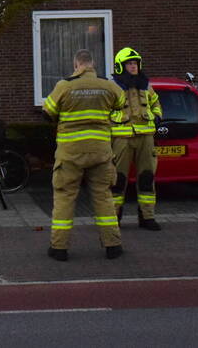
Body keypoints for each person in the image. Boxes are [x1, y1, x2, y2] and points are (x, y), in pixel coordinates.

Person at [41, 48, 126, 262]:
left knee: (64, 198)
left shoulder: (64, 85)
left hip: (70, 153)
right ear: (92, 64)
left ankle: (59, 248)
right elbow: (121, 105)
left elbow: (47, 112)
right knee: (104, 197)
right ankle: (113, 245)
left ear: (76, 64)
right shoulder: (107, 85)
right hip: (100, 151)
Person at [110, 47, 163, 231]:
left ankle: (147, 217)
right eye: (129, 64)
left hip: (146, 138)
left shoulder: (146, 84)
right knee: (118, 180)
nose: (133, 67)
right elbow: (103, 111)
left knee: (147, 178)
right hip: (121, 139)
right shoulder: (113, 87)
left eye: (135, 63)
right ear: (120, 66)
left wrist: (157, 116)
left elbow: (156, 102)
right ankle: (114, 217)